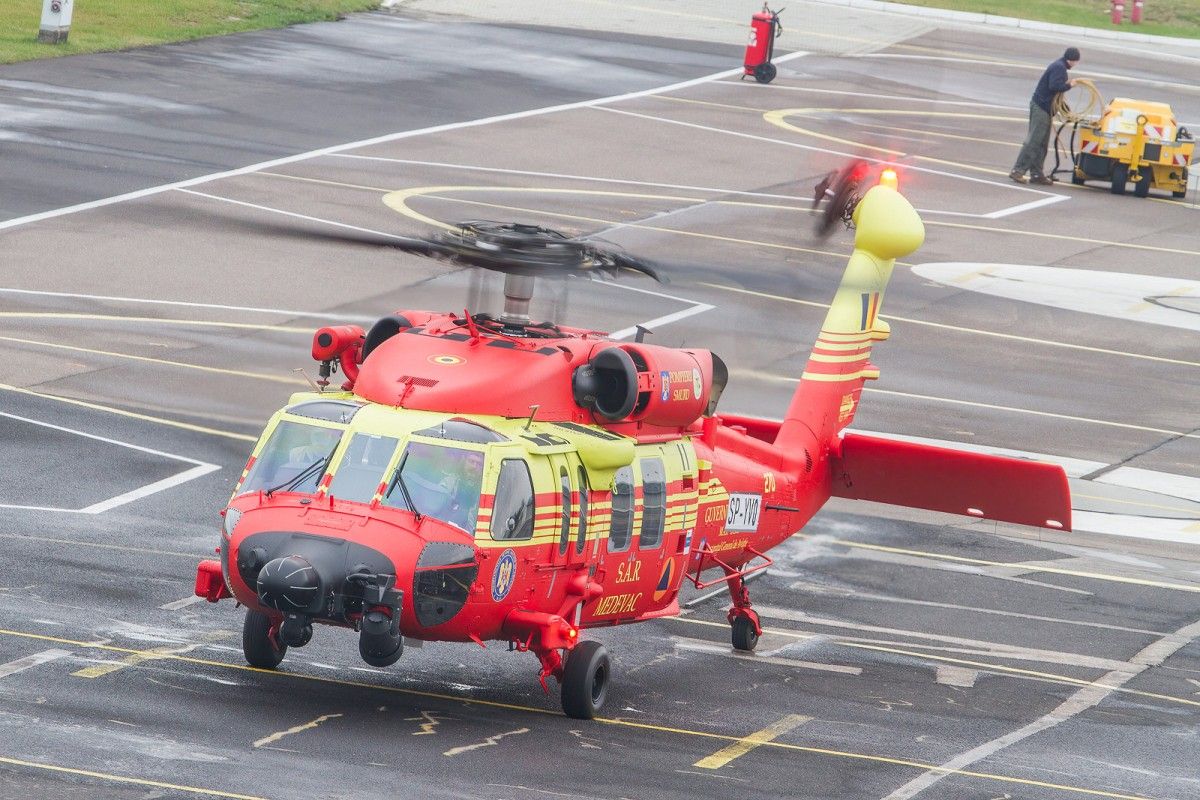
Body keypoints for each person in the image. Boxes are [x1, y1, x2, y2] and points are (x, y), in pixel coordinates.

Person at [1010, 47, 1080, 186]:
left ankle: (1037, 173)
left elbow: (1057, 97)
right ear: (1073, 60)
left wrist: (1068, 112)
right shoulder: (1059, 68)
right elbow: (1054, 86)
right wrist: (1070, 85)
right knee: (1034, 141)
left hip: (1045, 109)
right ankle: (1018, 170)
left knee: (1042, 144)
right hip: (1041, 109)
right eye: (1076, 61)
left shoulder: (1060, 67)